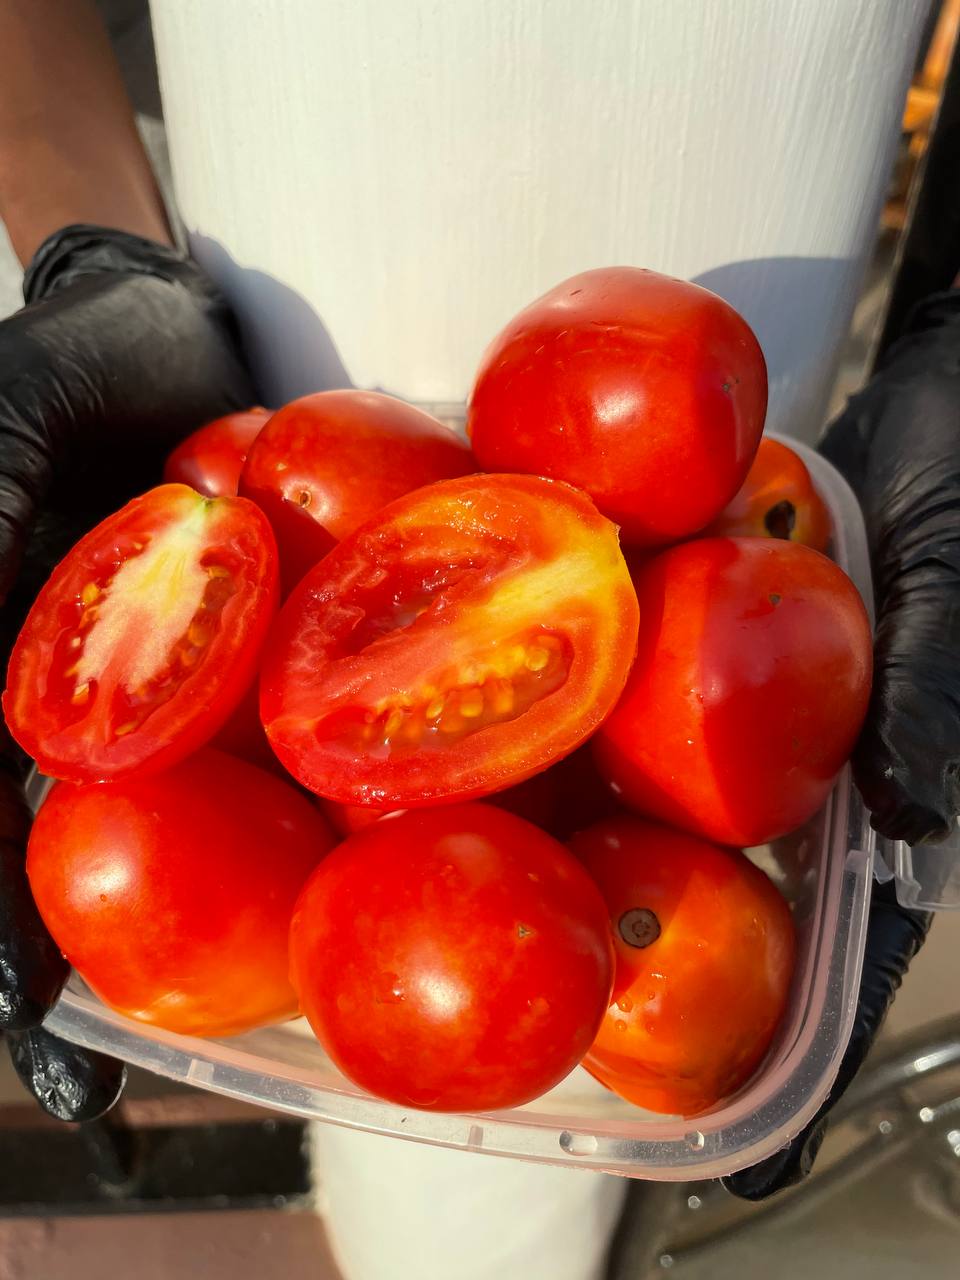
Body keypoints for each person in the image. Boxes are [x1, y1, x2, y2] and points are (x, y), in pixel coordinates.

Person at [0, 3, 956, 1277]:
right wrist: (92, 232)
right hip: (270, 284)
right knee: (435, 1173)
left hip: (740, 371)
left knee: (505, 1211)